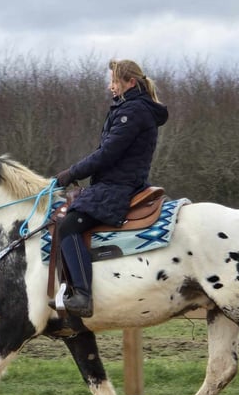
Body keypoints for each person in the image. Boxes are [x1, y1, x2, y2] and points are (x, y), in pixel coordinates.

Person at [50, 59, 169, 317]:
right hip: (117, 182)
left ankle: (82, 295)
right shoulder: (131, 108)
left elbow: (106, 154)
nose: (110, 87)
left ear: (131, 83)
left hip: (117, 187)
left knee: (68, 226)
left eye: (115, 81)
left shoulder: (133, 112)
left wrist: (71, 173)